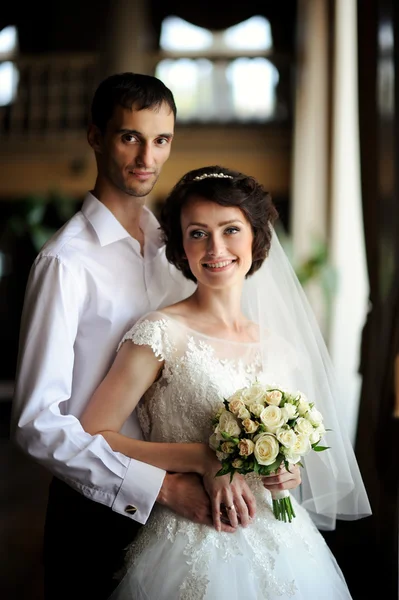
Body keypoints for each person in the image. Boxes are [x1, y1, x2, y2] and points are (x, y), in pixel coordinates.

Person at [10, 74, 300, 600]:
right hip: (96, 506)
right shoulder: (65, 263)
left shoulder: (179, 247)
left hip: (201, 512)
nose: (147, 156)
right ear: (95, 136)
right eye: (129, 137)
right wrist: (163, 486)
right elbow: (36, 424)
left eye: (161, 140)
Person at [80, 165, 372, 599]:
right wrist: (200, 458)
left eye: (230, 229)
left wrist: (287, 471)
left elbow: (293, 454)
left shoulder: (280, 349)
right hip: (191, 537)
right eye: (197, 233)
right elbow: (92, 434)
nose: (215, 248)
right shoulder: (159, 333)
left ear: (255, 237)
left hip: (286, 544)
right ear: (181, 245)